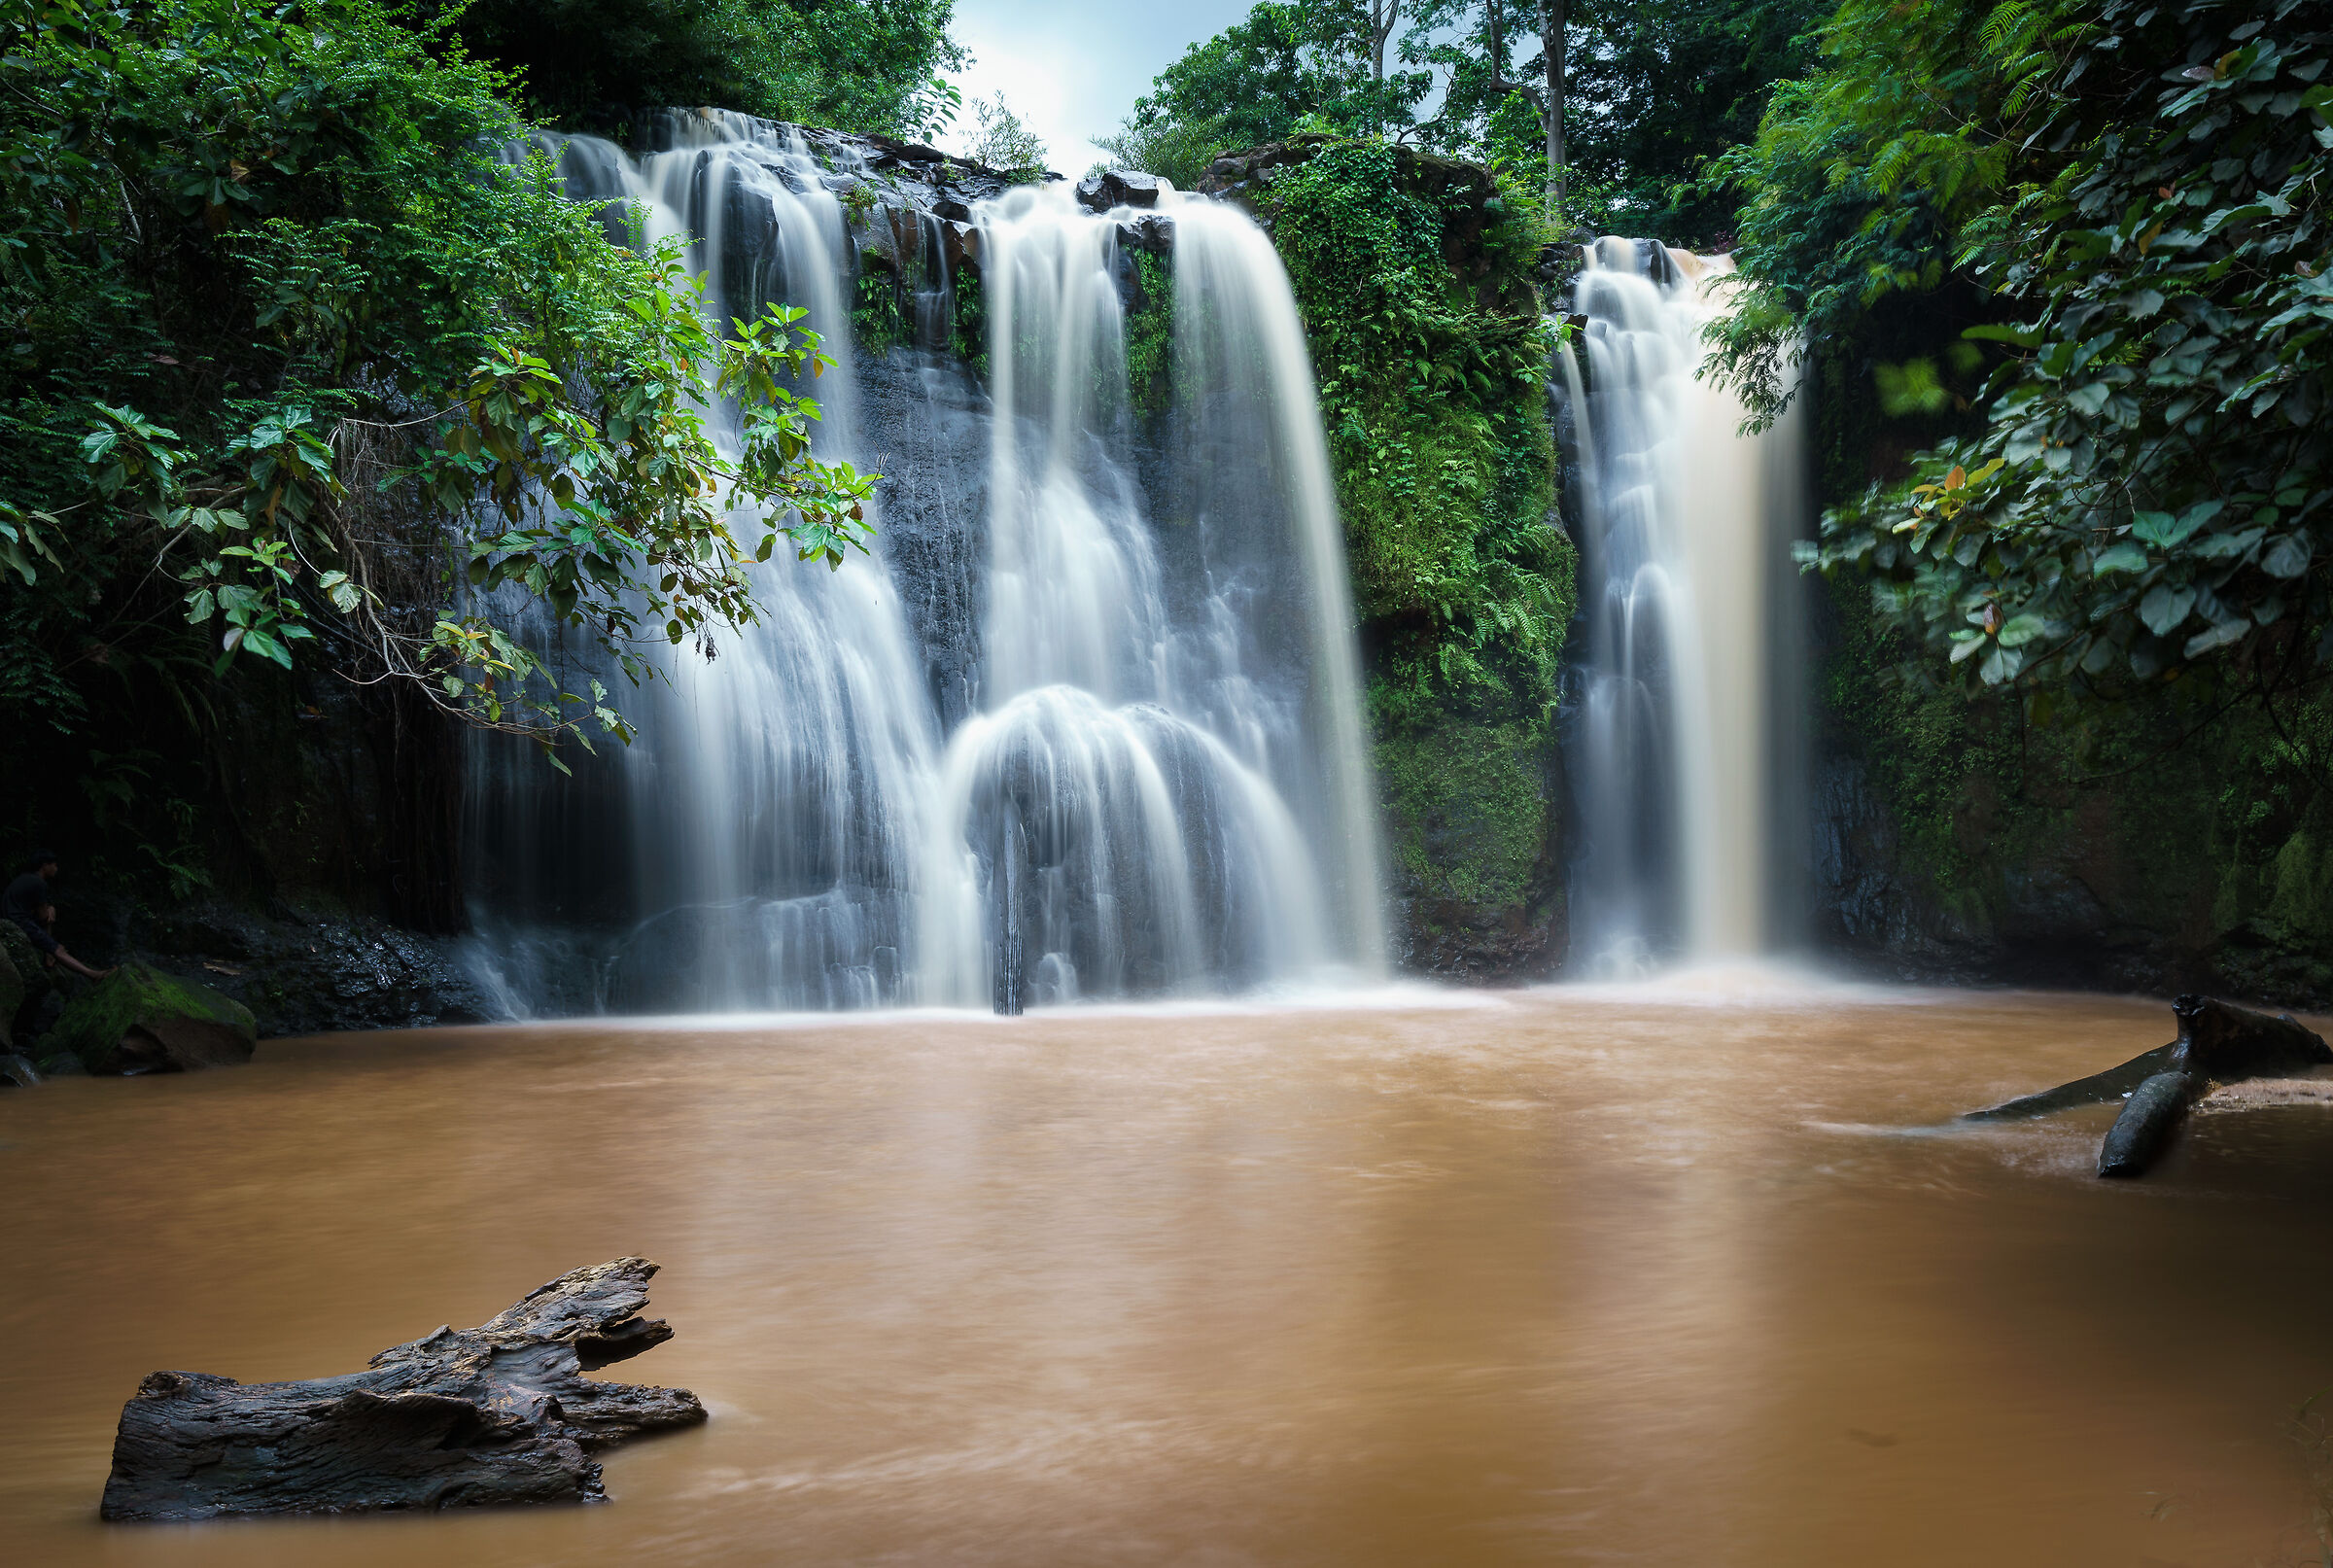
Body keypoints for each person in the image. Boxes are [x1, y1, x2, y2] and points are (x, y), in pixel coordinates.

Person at [4, 850, 112, 982]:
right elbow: (43, 917)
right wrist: (50, 910)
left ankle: (50, 952)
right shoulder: (39, 884)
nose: (56, 868)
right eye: (54, 865)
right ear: (44, 865)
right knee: (59, 949)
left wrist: (49, 909)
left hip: (9, 919)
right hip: (19, 922)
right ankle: (93, 975)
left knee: (50, 914)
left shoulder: (24, 878)